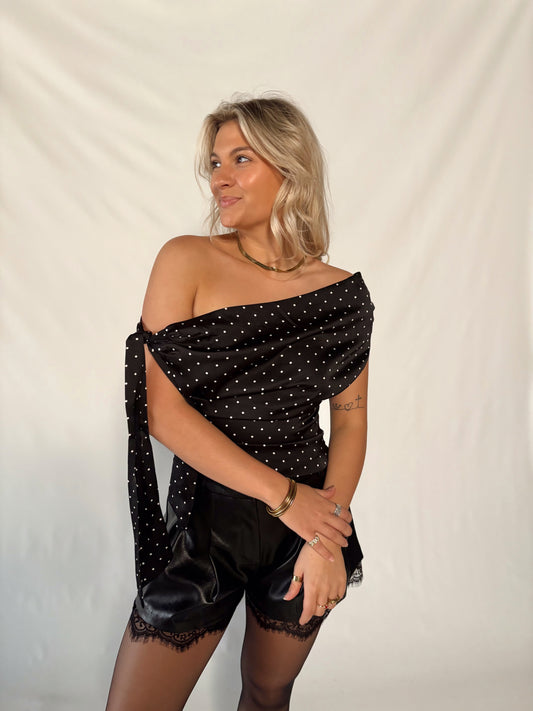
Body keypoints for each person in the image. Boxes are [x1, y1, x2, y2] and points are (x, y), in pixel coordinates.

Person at [106, 94, 374, 711]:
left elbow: (350, 423)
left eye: (241, 159)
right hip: (206, 524)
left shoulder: (342, 295)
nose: (220, 178)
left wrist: (325, 537)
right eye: (215, 162)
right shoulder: (186, 260)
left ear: (289, 167)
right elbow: (160, 412)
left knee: (267, 694)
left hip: (308, 527)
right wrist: (288, 500)